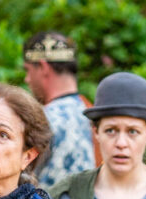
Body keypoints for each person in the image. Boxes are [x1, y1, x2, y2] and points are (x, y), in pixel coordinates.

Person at [21, 31, 96, 190]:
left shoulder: (39, 120)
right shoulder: (96, 116)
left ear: (43, 67)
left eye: (28, 70)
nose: (27, 79)